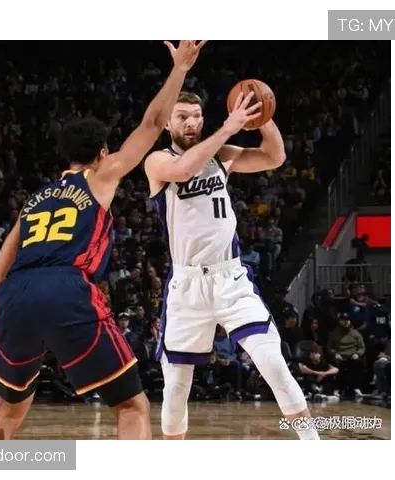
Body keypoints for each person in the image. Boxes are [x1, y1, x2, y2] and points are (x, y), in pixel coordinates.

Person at [0, 40, 207, 441]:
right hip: (66, 287)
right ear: (102, 152)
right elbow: (153, 124)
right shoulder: (99, 175)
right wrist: (180, 69)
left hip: (15, 295)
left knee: (5, 414)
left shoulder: (34, 200)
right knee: (131, 406)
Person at [144, 90, 319, 440]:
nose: (191, 122)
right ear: (167, 124)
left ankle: (313, 446)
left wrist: (262, 115)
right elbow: (184, 169)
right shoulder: (157, 161)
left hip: (230, 278)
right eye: (182, 116)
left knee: (274, 365)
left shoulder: (222, 155)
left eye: (196, 115)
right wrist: (228, 127)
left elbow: (274, 156)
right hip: (187, 286)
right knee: (176, 386)